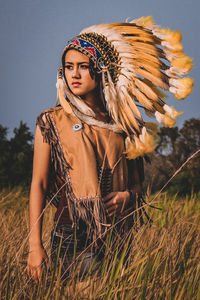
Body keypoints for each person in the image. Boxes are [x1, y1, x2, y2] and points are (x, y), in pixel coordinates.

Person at [27, 16, 193, 283]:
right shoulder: (52, 121)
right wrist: (35, 247)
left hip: (117, 236)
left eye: (83, 66)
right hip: (72, 233)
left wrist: (127, 196)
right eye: (68, 67)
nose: (75, 74)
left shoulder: (125, 124)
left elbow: (138, 185)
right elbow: (39, 183)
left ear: (102, 70)